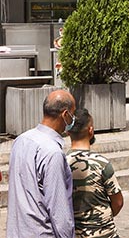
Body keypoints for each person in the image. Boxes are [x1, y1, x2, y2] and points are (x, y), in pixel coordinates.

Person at [6, 90, 76, 238]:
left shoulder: (21, 140)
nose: (72, 120)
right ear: (65, 115)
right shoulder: (52, 152)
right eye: (72, 114)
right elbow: (59, 210)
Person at [66, 108, 123, 238]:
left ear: (68, 132)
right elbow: (118, 202)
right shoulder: (102, 164)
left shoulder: (62, 163)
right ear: (91, 131)